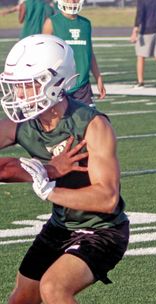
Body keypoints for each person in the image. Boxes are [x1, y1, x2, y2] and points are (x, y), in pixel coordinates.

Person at [0, 34, 129, 303]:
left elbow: (107, 199)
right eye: (17, 86)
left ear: (55, 81)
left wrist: (50, 191)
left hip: (103, 231)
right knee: (20, 300)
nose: (19, 94)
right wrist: (48, 171)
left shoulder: (92, 125)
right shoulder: (23, 124)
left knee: (54, 288)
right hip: (61, 225)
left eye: (27, 85)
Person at [43, 0, 106, 106]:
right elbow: (44, 54)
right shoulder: (52, 22)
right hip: (59, 85)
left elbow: (89, 53)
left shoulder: (85, 23)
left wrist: (98, 78)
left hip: (83, 86)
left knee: (91, 120)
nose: (72, 1)